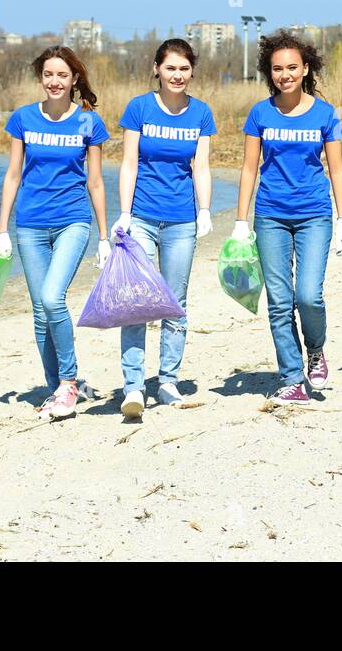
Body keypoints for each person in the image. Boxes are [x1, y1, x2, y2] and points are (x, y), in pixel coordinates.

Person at [0, 46, 110, 421]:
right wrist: (1, 229)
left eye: (62, 75)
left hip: (72, 221)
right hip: (29, 224)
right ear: (40, 78)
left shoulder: (89, 123)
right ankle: (56, 387)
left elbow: (95, 182)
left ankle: (69, 380)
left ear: (74, 78)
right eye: (48, 75)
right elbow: (13, 175)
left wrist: (105, 236)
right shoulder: (23, 118)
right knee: (41, 312)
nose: (55, 81)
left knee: (51, 297)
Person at [235, 30, 342, 406]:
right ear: (270, 72)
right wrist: (239, 220)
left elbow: (337, 169)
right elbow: (250, 169)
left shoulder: (325, 113)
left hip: (315, 214)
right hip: (270, 216)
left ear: (305, 69)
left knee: (308, 296)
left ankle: (315, 350)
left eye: (292, 67)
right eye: (277, 68)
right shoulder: (260, 113)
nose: (285, 74)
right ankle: (291, 377)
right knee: (280, 302)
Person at [111, 39, 216, 420]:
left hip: (181, 222)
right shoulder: (139, 108)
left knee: (175, 301)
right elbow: (129, 164)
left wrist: (205, 209)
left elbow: (200, 167)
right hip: (140, 218)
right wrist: (122, 214)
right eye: (170, 68)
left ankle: (168, 380)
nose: (177, 75)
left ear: (192, 72)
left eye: (184, 69)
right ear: (157, 68)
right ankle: (133, 386)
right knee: (137, 300)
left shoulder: (201, 113)